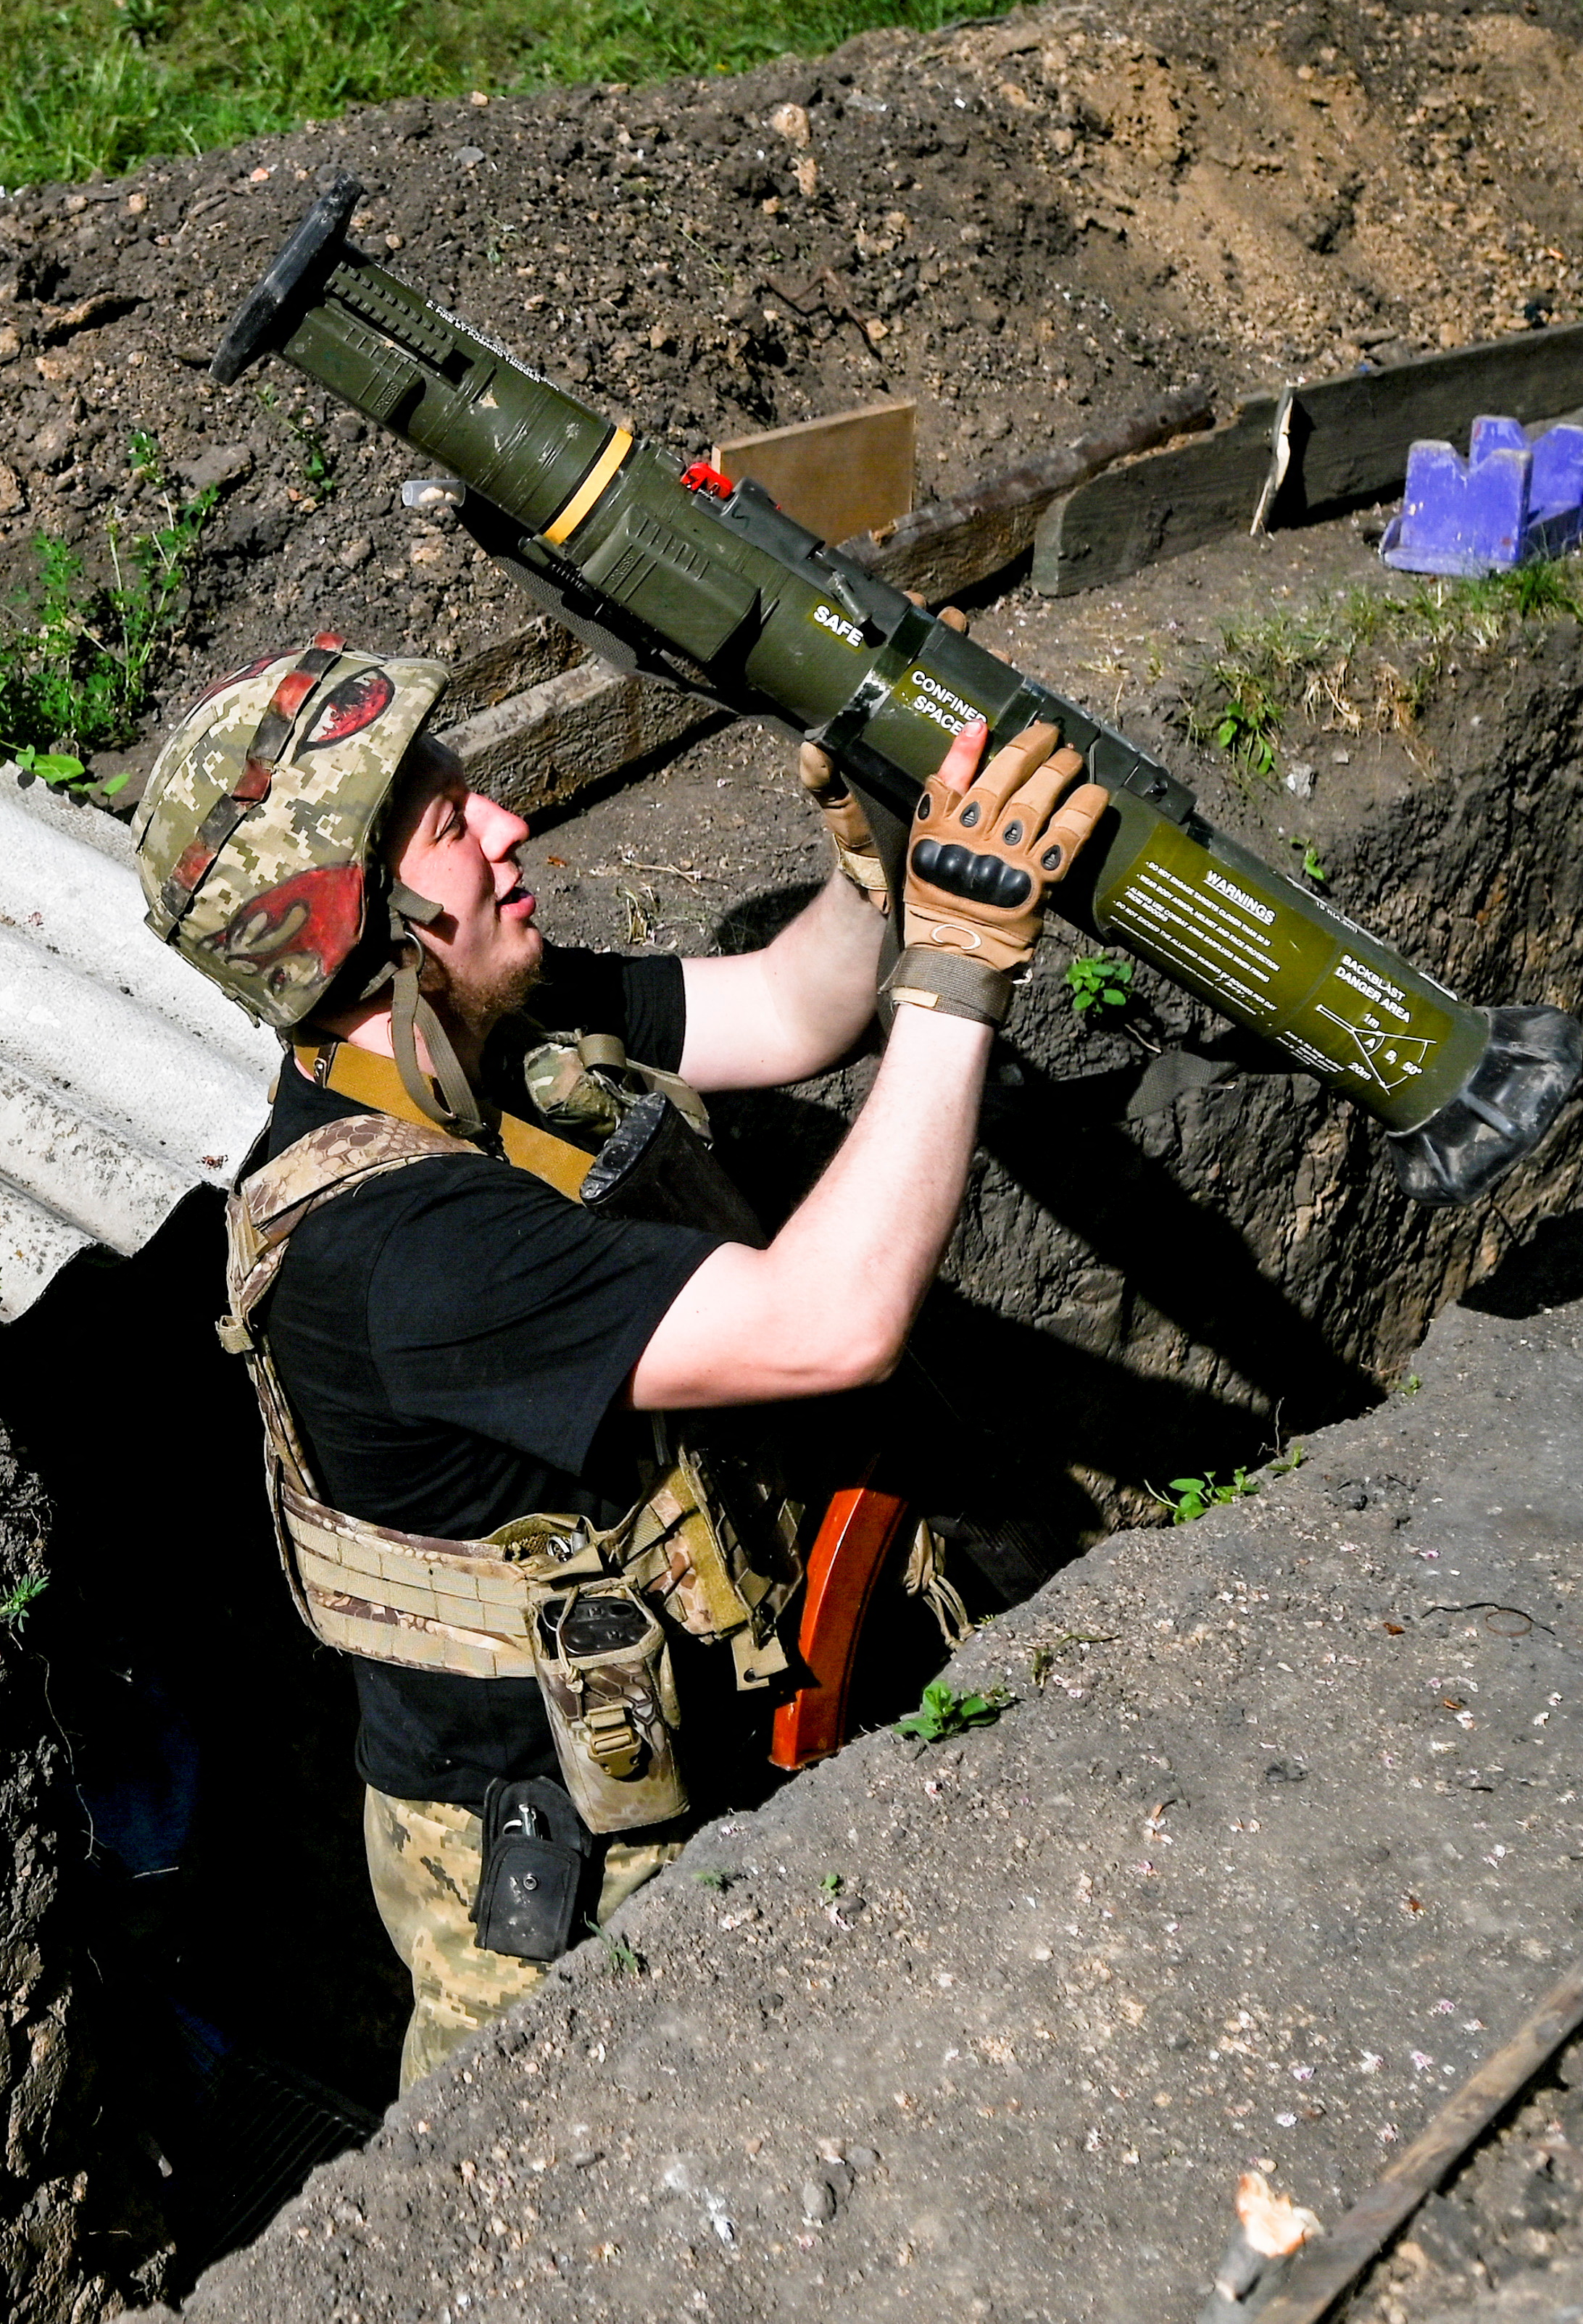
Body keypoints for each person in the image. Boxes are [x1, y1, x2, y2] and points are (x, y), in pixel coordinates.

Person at [132, 633, 1105, 2088]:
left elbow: (784, 1010)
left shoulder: (469, 1032)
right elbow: (823, 1320)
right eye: (457, 828)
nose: (512, 828)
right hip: (552, 1843)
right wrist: (959, 970)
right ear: (364, 926)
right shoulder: (402, 1252)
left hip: (680, 1719)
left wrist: (874, 873)